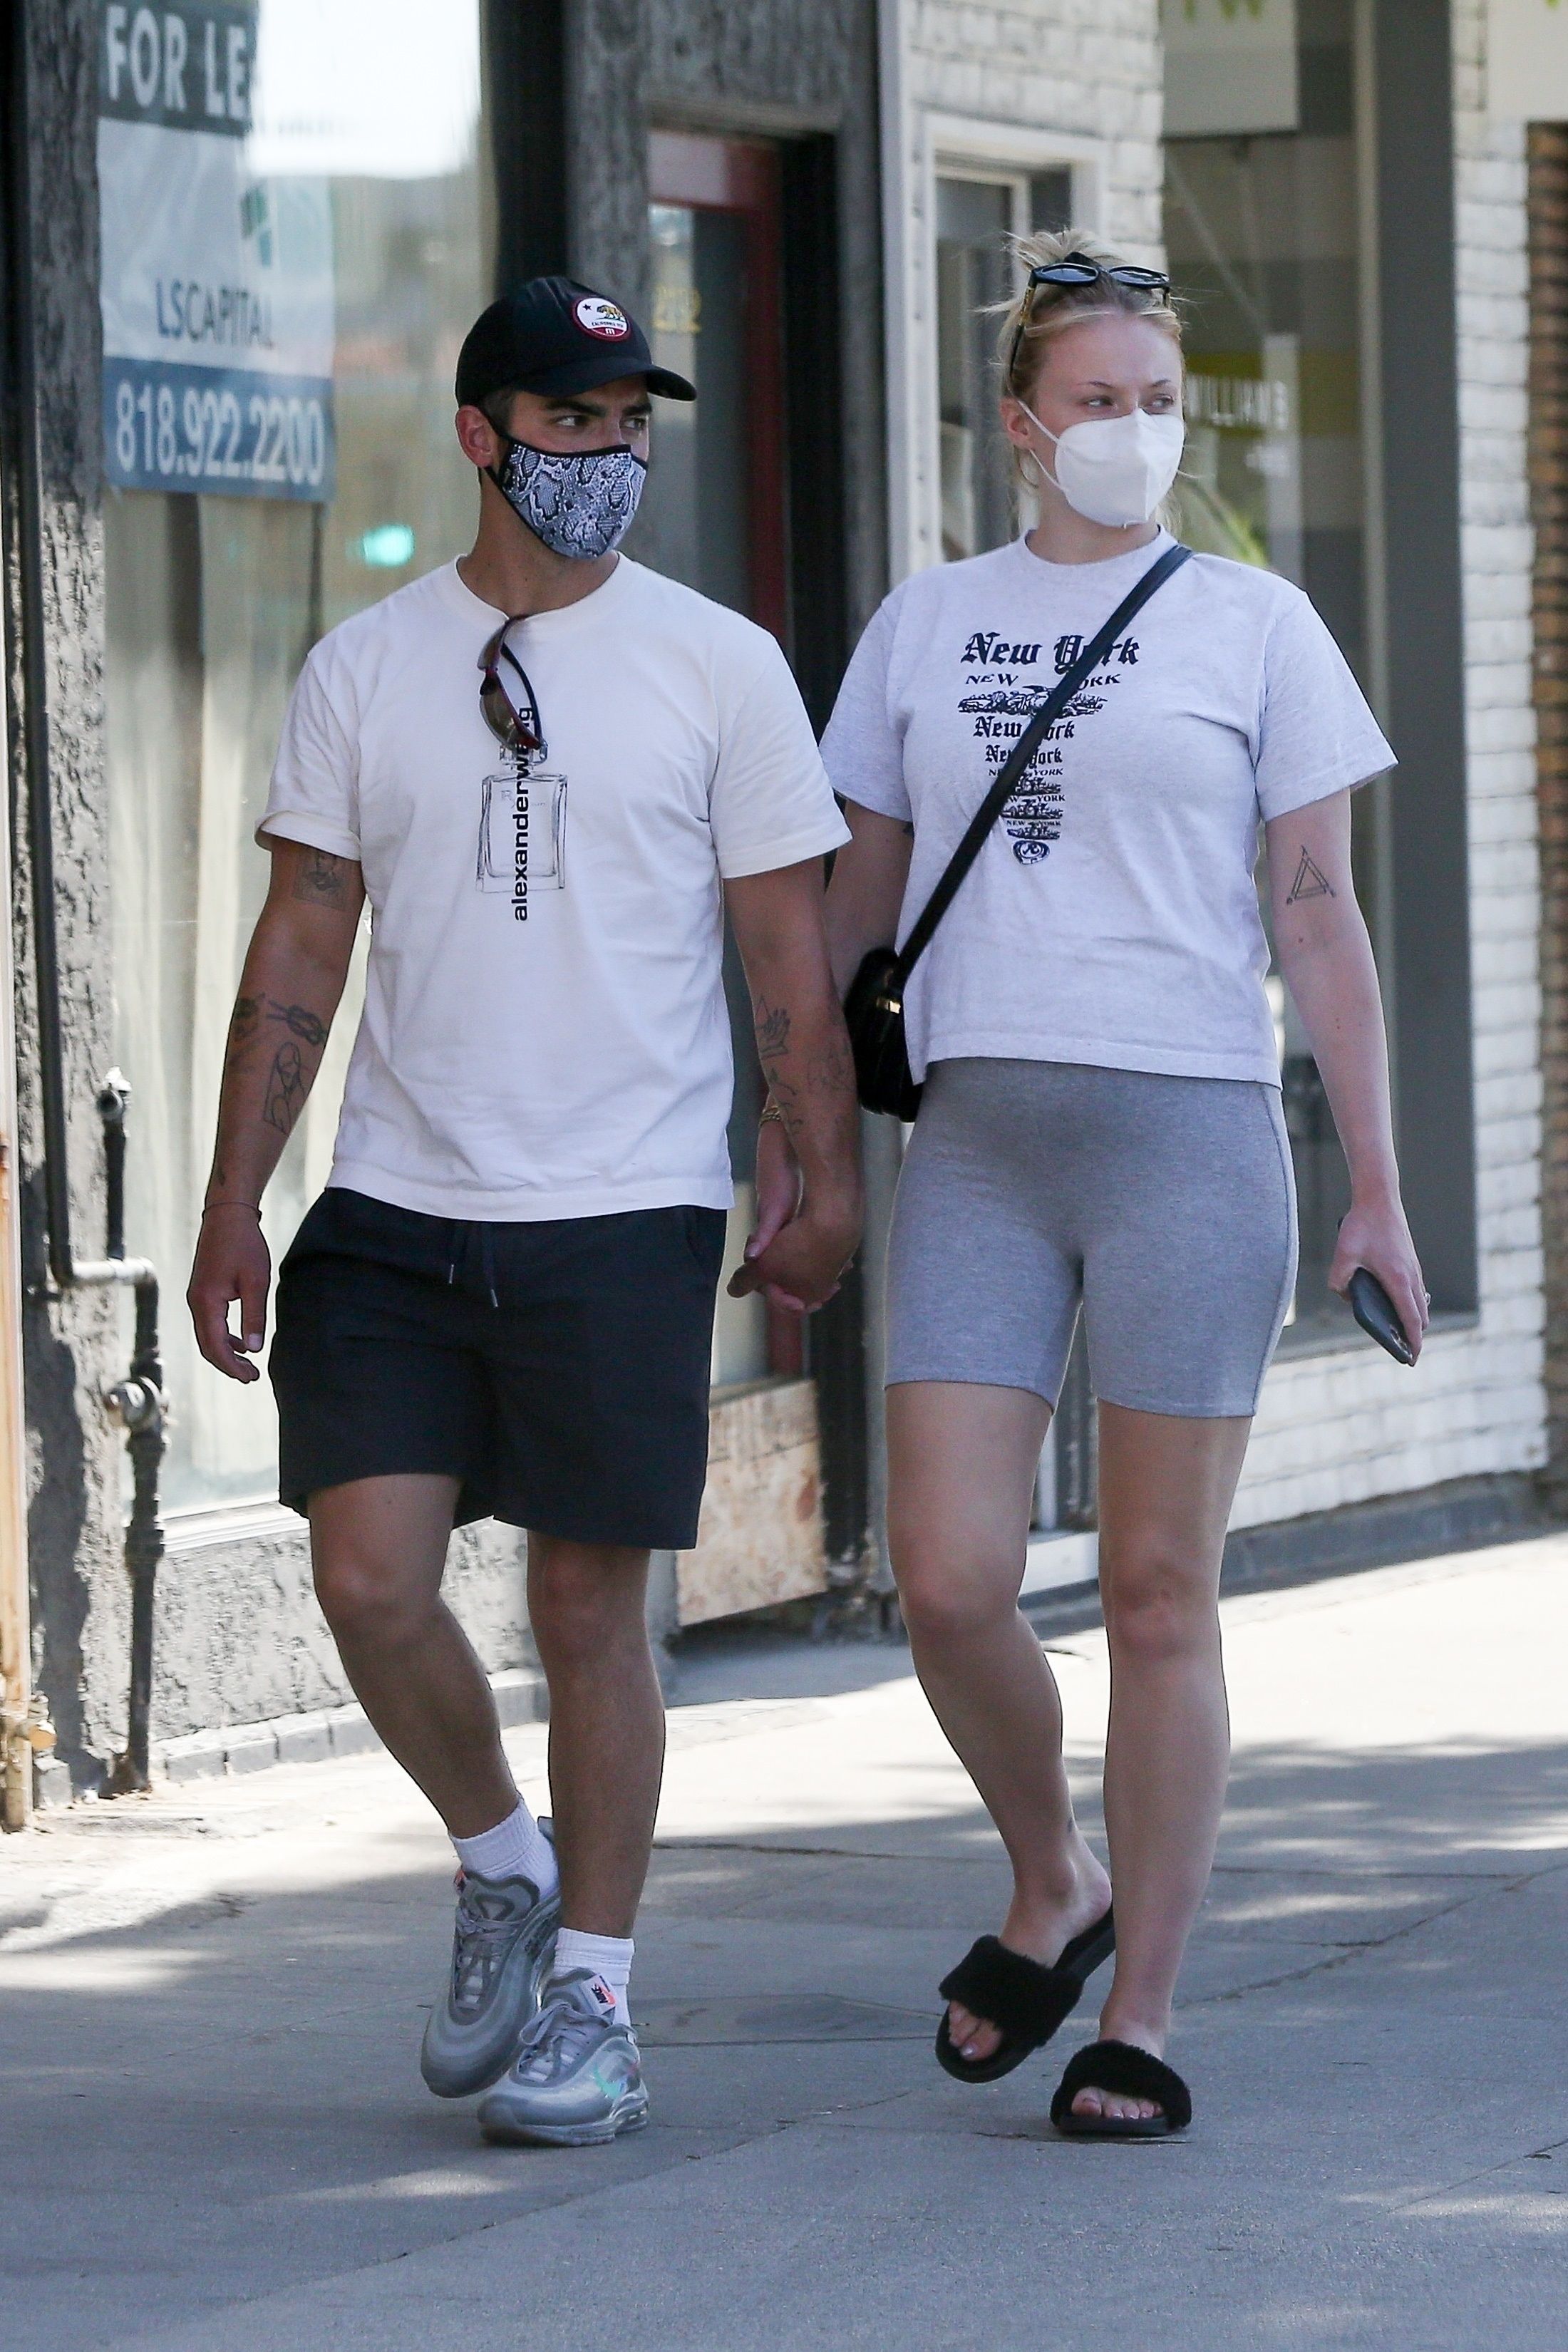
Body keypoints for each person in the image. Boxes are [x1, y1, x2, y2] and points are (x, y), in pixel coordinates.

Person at [187, 275, 860, 2147]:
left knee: (589, 1607)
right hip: (398, 1201)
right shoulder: (365, 667)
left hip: (628, 1197)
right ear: (482, 437)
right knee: (367, 1574)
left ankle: (596, 1997)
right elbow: (306, 926)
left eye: (632, 422)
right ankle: (501, 1856)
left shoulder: (718, 666)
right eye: (573, 423)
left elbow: (783, 950)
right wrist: (238, 1193)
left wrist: (816, 1167)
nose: (610, 455)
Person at [798, 229, 1425, 2136]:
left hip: (1189, 1136)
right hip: (981, 1138)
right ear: (1021, 424)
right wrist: (806, 1134)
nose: (1134, 430)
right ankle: (1047, 1869)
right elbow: (852, 909)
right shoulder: (923, 623)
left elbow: (1317, 917)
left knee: (1159, 1592)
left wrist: (1378, 1185)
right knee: (951, 1579)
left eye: (1159, 401)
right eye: (1098, 401)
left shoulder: (1255, 624)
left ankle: (1137, 2010)